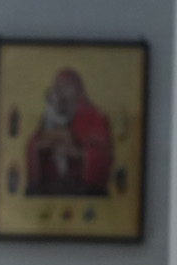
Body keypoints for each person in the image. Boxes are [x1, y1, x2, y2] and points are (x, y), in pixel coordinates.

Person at [23, 65, 114, 196]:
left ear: (78, 90)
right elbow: (34, 142)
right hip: (52, 186)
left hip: (84, 188)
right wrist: (40, 146)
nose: (62, 92)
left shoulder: (95, 116)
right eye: (59, 87)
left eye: (67, 86)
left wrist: (79, 153)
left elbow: (103, 153)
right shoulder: (50, 114)